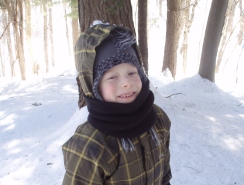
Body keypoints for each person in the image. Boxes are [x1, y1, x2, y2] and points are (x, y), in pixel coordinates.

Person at [62, 23, 172, 185]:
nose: (126, 83)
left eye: (132, 72)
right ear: (93, 86)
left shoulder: (158, 120)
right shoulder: (90, 146)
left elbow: (164, 177)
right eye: (112, 77)